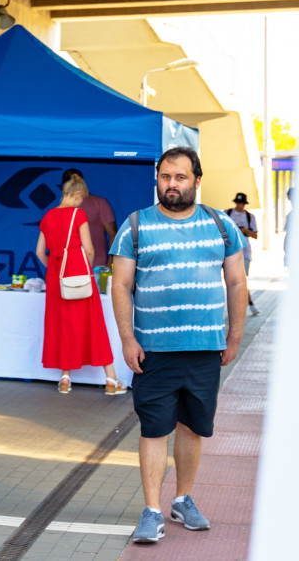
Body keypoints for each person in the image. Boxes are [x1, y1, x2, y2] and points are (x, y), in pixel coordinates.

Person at [109, 147, 246, 545]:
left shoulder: (222, 226)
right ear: (157, 179)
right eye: (166, 177)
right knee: (154, 428)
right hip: (154, 350)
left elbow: (237, 283)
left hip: (204, 347)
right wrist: (128, 338)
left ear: (197, 181)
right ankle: (152, 509)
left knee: (193, 427)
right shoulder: (136, 225)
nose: (172, 184)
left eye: (180, 177)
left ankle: (182, 499)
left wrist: (234, 335)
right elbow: (120, 284)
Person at [35, 174, 126, 395]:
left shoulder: (47, 216)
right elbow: (90, 250)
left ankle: (65, 378)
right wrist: (85, 266)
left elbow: (39, 252)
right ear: (77, 195)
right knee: (94, 324)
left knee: (63, 327)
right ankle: (111, 380)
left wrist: (54, 269)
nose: (81, 203)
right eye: (81, 199)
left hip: (57, 278)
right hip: (80, 274)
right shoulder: (78, 214)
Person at [62, 168, 117, 267]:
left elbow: (113, 234)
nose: (72, 182)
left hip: (96, 266)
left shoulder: (99, 203)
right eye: (68, 180)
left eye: (76, 179)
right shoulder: (61, 209)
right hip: (69, 267)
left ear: (83, 182)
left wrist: (110, 263)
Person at [225, 192, 259, 315]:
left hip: (244, 253)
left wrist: (245, 230)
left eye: (242, 203)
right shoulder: (227, 214)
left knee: (240, 280)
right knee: (233, 280)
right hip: (228, 252)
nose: (240, 206)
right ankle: (246, 304)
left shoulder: (250, 217)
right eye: (238, 203)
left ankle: (247, 304)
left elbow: (255, 235)